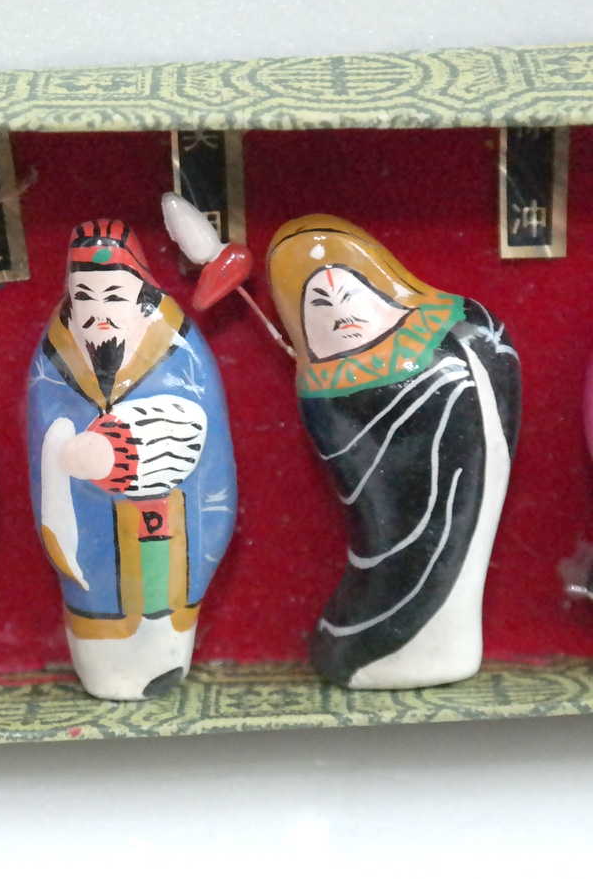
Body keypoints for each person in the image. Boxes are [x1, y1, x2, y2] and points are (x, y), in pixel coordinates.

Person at [267, 215, 521, 689]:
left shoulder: (461, 330)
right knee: (384, 560)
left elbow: (489, 418)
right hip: (385, 533)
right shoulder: (320, 390)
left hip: (455, 503)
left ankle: (440, 640)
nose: (339, 312)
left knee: (450, 553)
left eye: (348, 294)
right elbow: (359, 479)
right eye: (318, 303)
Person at [28, 219, 237, 700]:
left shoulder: (179, 349)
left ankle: (166, 662)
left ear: (140, 296)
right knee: (98, 607)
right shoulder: (55, 358)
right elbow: (45, 422)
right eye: (85, 297)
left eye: (113, 296)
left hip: (173, 521)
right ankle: (103, 669)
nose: (99, 312)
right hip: (94, 527)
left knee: (166, 605)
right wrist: (67, 450)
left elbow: (206, 434)